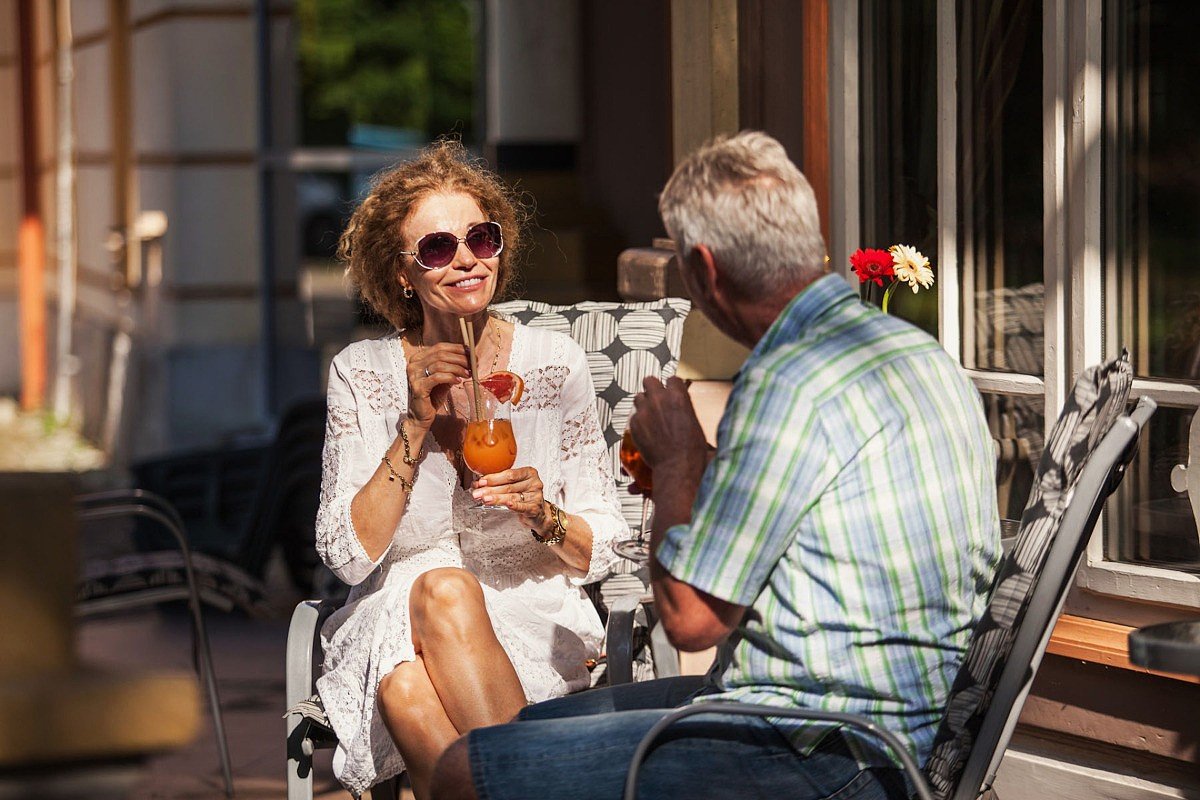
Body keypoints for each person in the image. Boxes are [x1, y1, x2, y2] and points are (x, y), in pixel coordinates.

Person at [429, 131, 1001, 800]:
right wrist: (694, 460)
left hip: (826, 748)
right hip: (904, 727)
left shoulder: (788, 383)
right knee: (529, 727)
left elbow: (693, 618)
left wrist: (675, 465)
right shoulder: (918, 352)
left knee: (463, 771)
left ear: (703, 269)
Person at [314, 139, 627, 799]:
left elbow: (604, 546)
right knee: (440, 588)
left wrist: (540, 511)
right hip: (393, 613)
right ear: (402, 274)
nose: (464, 259)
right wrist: (413, 423)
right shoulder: (362, 374)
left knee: (405, 688)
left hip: (529, 610)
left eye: (480, 239)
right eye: (436, 248)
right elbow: (347, 557)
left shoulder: (552, 364)